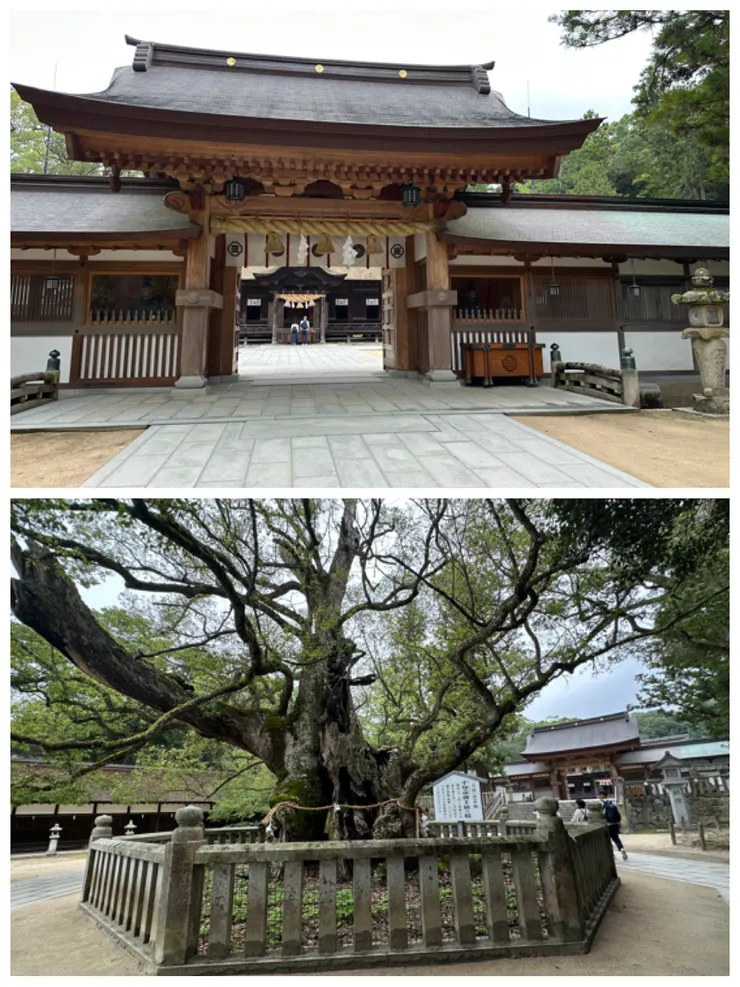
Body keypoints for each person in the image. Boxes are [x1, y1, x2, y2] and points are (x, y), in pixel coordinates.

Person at [599, 789, 628, 859]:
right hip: (615, 824)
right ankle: (621, 849)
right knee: (616, 838)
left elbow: (601, 815)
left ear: (602, 795)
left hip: (607, 825)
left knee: (607, 840)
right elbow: (618, 814)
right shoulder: (612, 803)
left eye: (600, 795)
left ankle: (612, 854)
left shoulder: (601, 804)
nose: (599, 796)